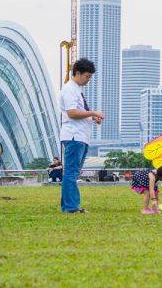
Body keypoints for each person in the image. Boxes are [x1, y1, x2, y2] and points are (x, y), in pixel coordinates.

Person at [59, 58, 101, 213]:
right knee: (71, 172)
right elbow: (72, 113)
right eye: (87, 76)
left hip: (80, 136)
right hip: (74, 136)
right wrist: (93, 112)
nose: (88, 80)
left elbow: (78, 112)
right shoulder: (70, 89)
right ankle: (71, 207)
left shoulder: (77, 90)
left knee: (73, 172)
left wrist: (92, 117)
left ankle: (68, 205)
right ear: (78, 73)